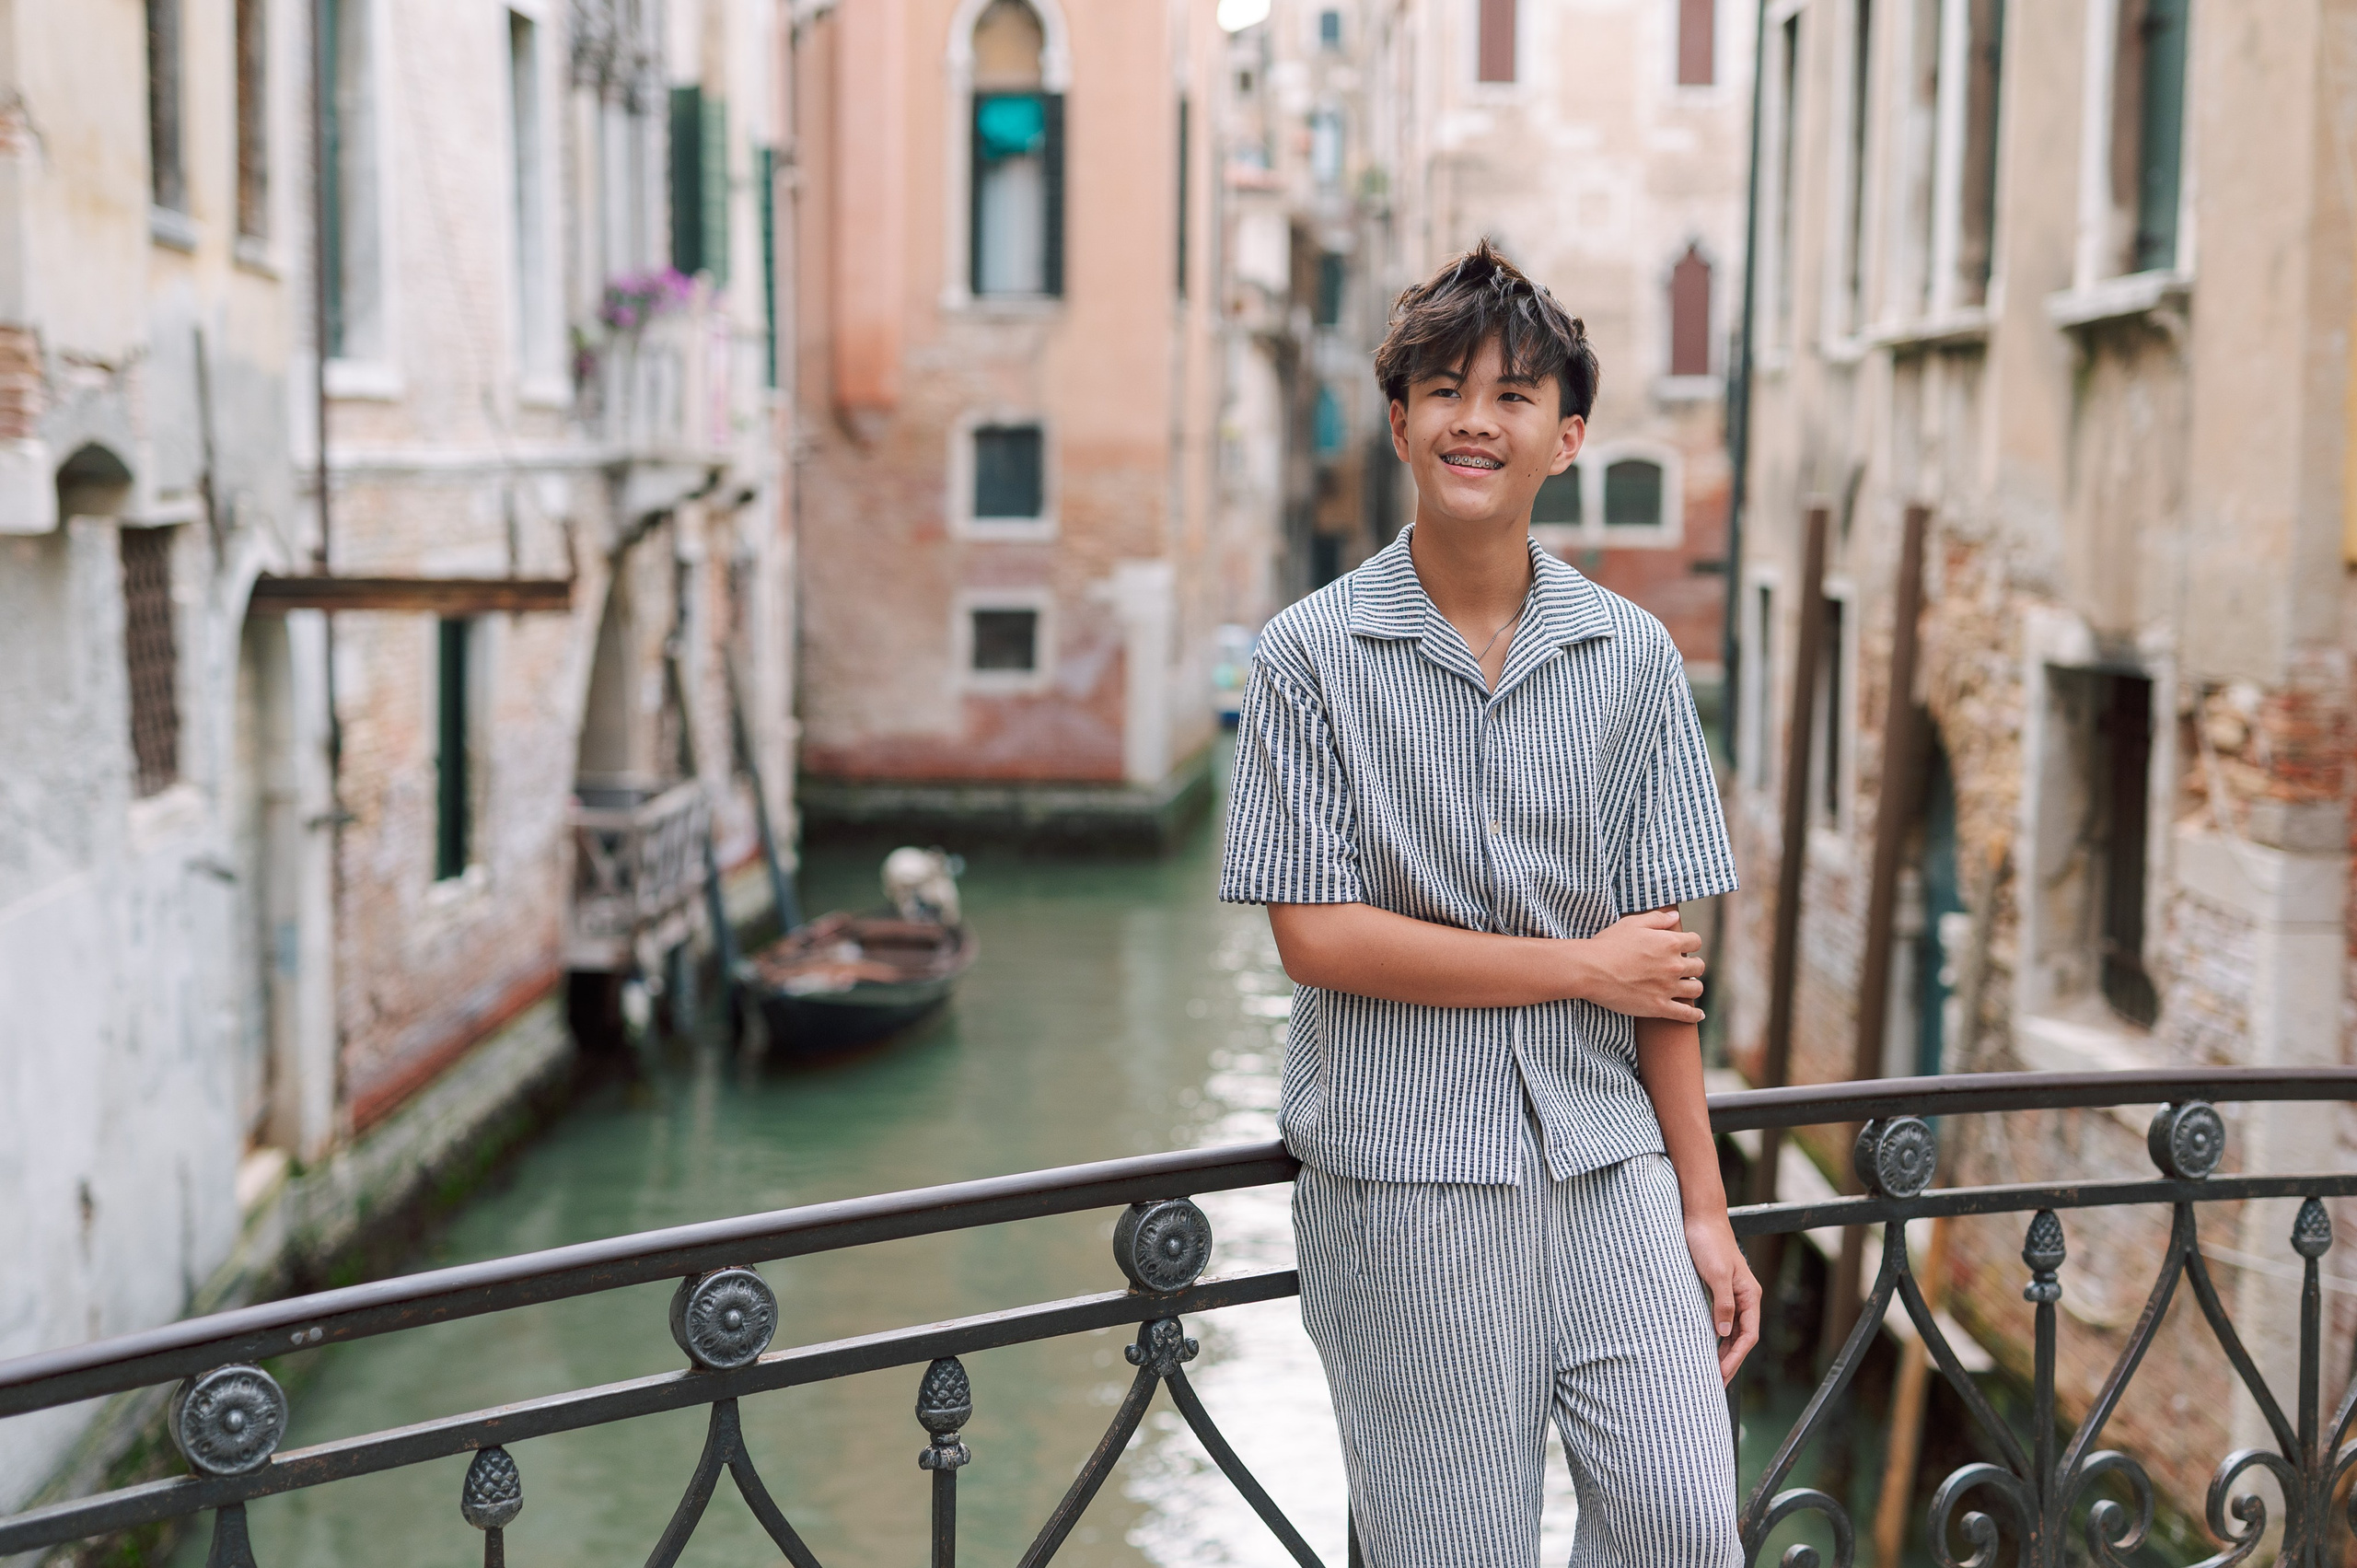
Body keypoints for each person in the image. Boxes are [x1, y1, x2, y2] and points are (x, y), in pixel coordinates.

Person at [1219, 238, 1758, 1567]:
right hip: (1404, 1174)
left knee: (1686, 1524)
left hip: (1608, 1164)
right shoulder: (1306, 656)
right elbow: (1315, 937)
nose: (1476, 420)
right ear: (1400, 420)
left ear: (1564, 439)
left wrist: (1703, 1207)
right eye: (1446, 391)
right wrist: (1577, 967)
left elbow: (1660, 969)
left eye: (1514, 395)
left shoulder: (1633, 656)